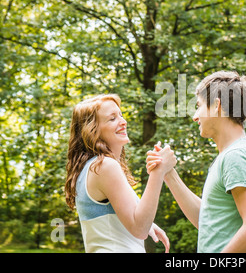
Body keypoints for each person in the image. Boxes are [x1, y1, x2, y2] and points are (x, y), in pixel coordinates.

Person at [147, 71, 246, 253]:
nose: (195, 116)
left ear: (216, 106)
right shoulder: (229, 156)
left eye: (199, 106)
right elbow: (206, 221)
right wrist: (168, 173)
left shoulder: (237, 156)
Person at [65, 94, 175, 253]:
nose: (123, 122)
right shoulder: (105, 166)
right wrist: (158, 172)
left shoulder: (91, 168)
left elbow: (120, 219)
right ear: (92, 131)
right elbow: (139, 229)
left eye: (121, 115)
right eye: (112, 119)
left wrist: (149, 223)